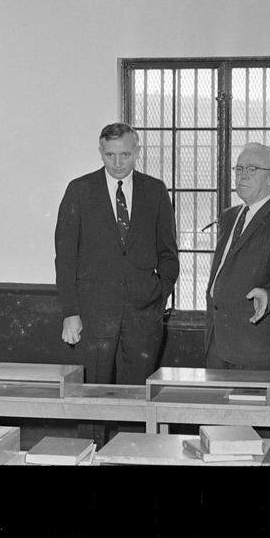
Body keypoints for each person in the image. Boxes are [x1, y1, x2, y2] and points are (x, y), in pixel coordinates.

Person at [55, 122, 179, 388]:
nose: (118, 163)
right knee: (91, 400)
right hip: (93, 318)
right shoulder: (79, 190)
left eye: (125, 154)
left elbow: (168, 253)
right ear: (100, 152)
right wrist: (70, 313)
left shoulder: (155, 191)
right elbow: (65, 259)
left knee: (137, 401)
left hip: (144, 317)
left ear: (137, 152)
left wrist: (159, 293)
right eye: (110, 155)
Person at [205, 143, 270, 388]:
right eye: (239, 168)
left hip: (258, 352)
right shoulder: (229, 217)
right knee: (218, 426)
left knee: (257, 427)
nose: (243, 175)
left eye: (252, 169)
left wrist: (268, 296)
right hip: (218, 346)